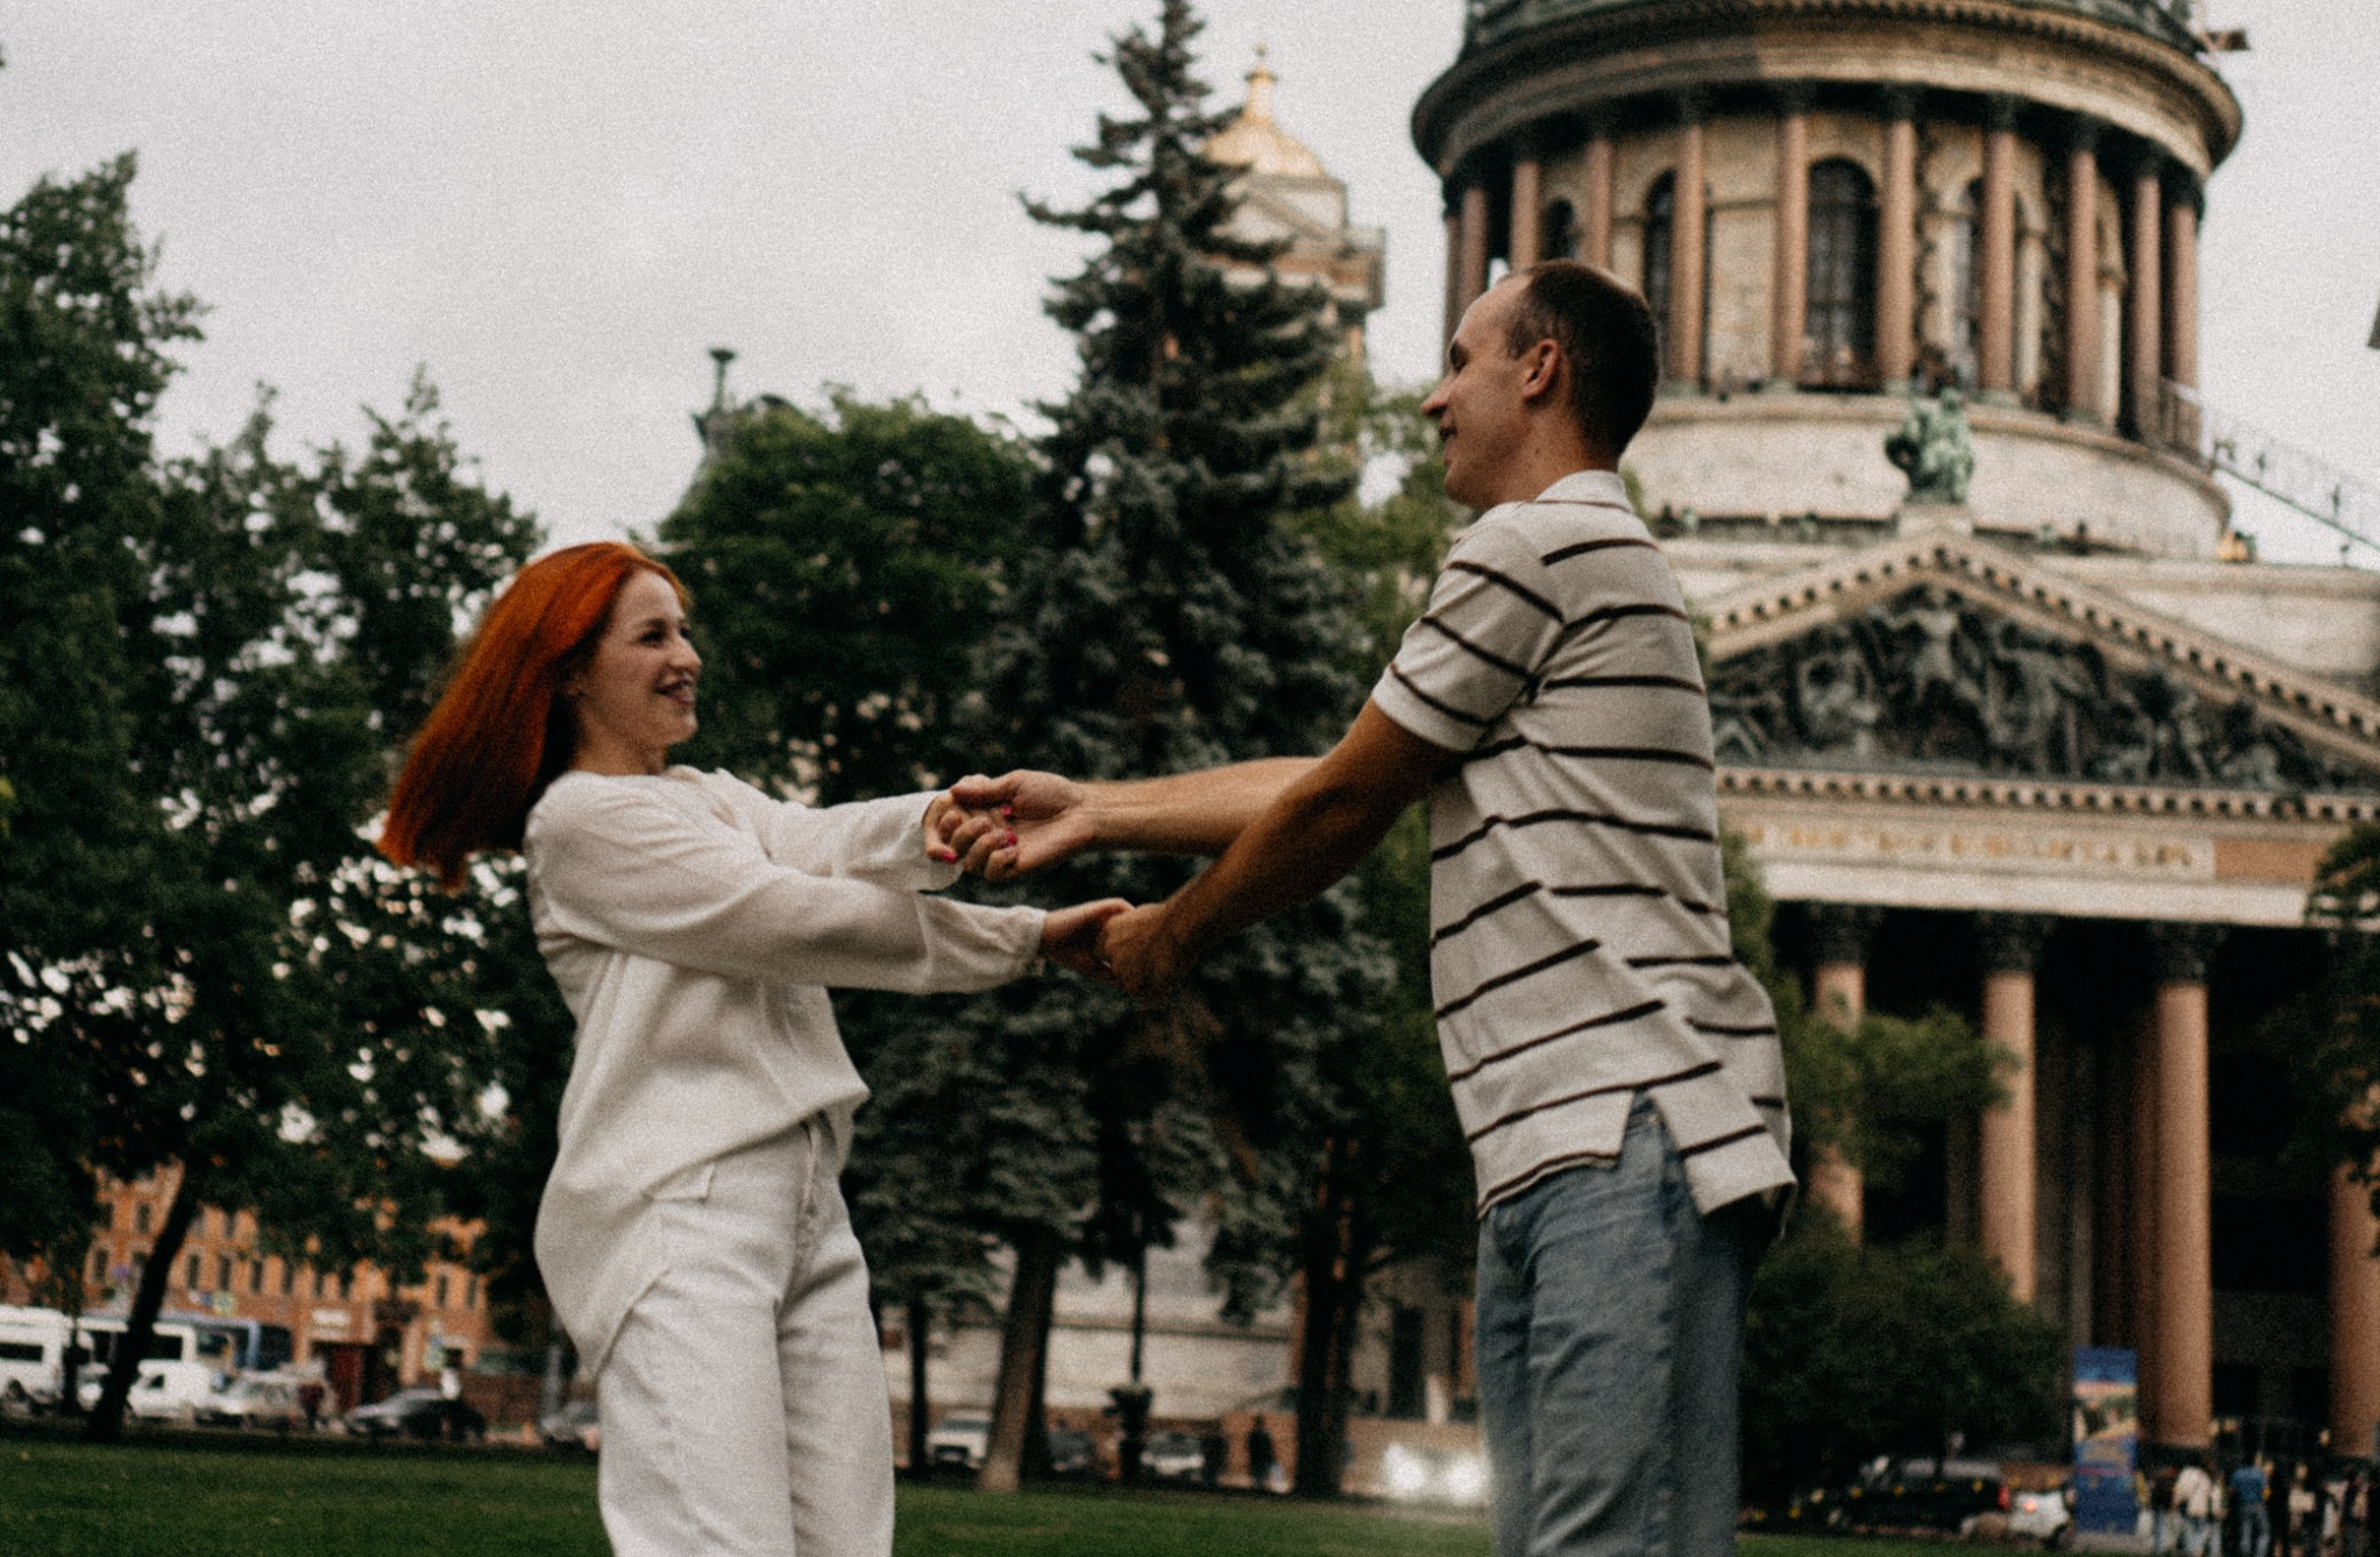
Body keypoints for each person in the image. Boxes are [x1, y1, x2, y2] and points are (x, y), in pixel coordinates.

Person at [942, 262, 1794, 1556]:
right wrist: (1101, 808)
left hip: (1621, 1127)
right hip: (1562, 1147)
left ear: (1541, 368)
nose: (1432, 396)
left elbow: (1344, 807)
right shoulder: (1570, 561)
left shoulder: (1540, 540)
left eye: (1461, 359)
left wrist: (1170, 937)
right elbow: (1347, 776)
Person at [378, 542, 1122, 1557]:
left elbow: (815, 842)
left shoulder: (709, 799)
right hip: (679, 1212)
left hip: (808, 1206)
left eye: (683, 629)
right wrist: (1028, 942)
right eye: (652, 635)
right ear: (569, 673)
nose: (686, 655)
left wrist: (944, 820)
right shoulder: (579, 822)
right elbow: (789, 915)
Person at [2232, 1456, 2271, 1557]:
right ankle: (2260, 1553)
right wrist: (2263, 1501)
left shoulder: (2238, 1473)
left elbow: (2232, 1490)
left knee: (2245, 1530)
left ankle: (2245, 1553)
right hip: (2258, 1505)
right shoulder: (2259, 1474)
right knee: (2264, 1532)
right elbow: (2266, 1490)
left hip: (2244, 1504)